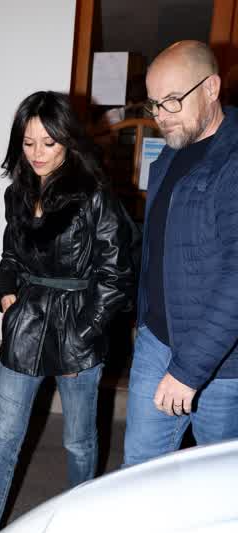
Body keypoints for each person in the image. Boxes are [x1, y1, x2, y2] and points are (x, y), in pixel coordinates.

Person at [0, 91, 135, 533]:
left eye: (48, 142)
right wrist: (6, 296)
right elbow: (10, 257)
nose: (38, 153)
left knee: (79, 443)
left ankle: (80, 532)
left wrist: (85, 334)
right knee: (2, 441)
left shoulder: (94, 196)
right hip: (27, 325)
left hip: (79, 326)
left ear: (68, 140)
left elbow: (115, 276)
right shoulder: (19, 194)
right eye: (28, 142)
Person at [123, 40, 238, 467]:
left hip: (222, 365)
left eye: (172, 100)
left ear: (211, 88)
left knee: (216, 482)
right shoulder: (173, 154)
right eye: (154, 104)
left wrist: (189, 371)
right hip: (157, 340)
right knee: (138, 471)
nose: (160, 116)